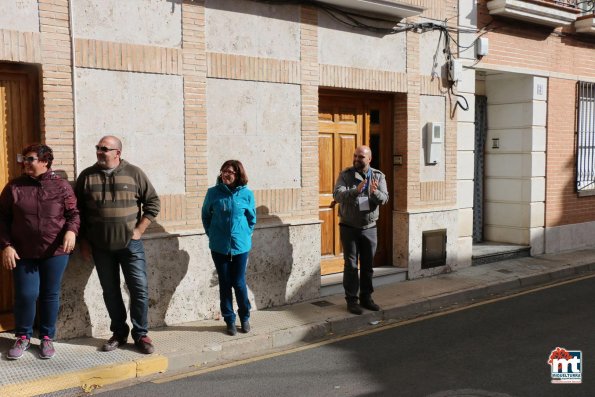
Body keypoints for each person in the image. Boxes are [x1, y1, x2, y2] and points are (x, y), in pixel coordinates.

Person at [75, 136, 160, 354]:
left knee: (139, 289)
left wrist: (139, 230)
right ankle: (119, 333)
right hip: (101, 247)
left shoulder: (134, 173)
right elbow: (78, 213)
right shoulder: (87, 176)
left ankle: (141, 334)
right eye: (98, 148)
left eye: (105, 149)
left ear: (117, 153)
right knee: (110, 292)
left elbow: (153, 202)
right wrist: (83, 241)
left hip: (130, 246)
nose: (100, 152)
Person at [0, 144, 80, 359]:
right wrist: (6, 245)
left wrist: (71, 232)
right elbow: (2, 219)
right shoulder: (14, 187)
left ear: (45, 161)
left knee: (49, 294)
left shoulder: (61, 186)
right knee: (26, 295)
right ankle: (23, 336)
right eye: (24, 159)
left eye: (30, 159)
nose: (25, 163)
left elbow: (73, 214)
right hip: (22, 252)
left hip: (55, 251)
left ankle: (46, 338)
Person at [202, 160, 256, 336]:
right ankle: (229, 320)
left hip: (240, 246)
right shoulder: (213, 193)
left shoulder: (247, 194)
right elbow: (205, 216)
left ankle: (245, 317)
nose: (226, 174)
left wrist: (244, 235)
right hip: (219, 246)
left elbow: (251, 219)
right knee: (224, 283)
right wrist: (213, 235)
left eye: (230, 172)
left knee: (239, 283)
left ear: (238, 174)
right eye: (223, 171)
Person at [333, 145, 389, 315]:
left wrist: (374, 193)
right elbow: (337, 195)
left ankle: (366, 298)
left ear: (369, 159)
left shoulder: (378, 176)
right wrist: (356, 191)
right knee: (350, 265)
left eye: (361, 157)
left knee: (367, 266)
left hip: (369, 228)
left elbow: (385, 199)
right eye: (355, 156)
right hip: (348, 227)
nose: (357, 159)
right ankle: (351, 300)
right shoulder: (345, 175)